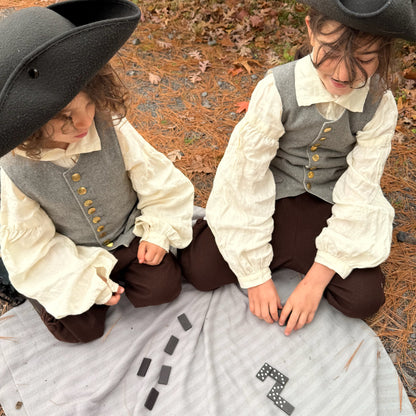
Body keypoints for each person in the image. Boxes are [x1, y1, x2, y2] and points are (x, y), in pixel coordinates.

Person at [180, 0, 416, 336]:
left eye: (364, 60)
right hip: (272, 194)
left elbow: (361, 188)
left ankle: (295, 256)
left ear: (383, 52)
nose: (343, 74)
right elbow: (246, 176)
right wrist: (256, 277)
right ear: (311, 29)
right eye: (332, 52)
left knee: (363, 298)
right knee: (201, 270)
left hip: (329, 203)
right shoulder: (277, 87)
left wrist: (316, 281)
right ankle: (251, 245)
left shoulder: (380, 104)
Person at [0, 0, 194, 343]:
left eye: (89, 105)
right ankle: (45, 295)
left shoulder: (109, 126)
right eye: (64, 118)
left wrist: (157, 233)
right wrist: (85, 279)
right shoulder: (14, 169)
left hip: (126, 232)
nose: (84, 123)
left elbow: (155, 178)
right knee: (80, 329)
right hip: (74, 250)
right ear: (29, 126)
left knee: (161, 288)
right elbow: (34, 245)